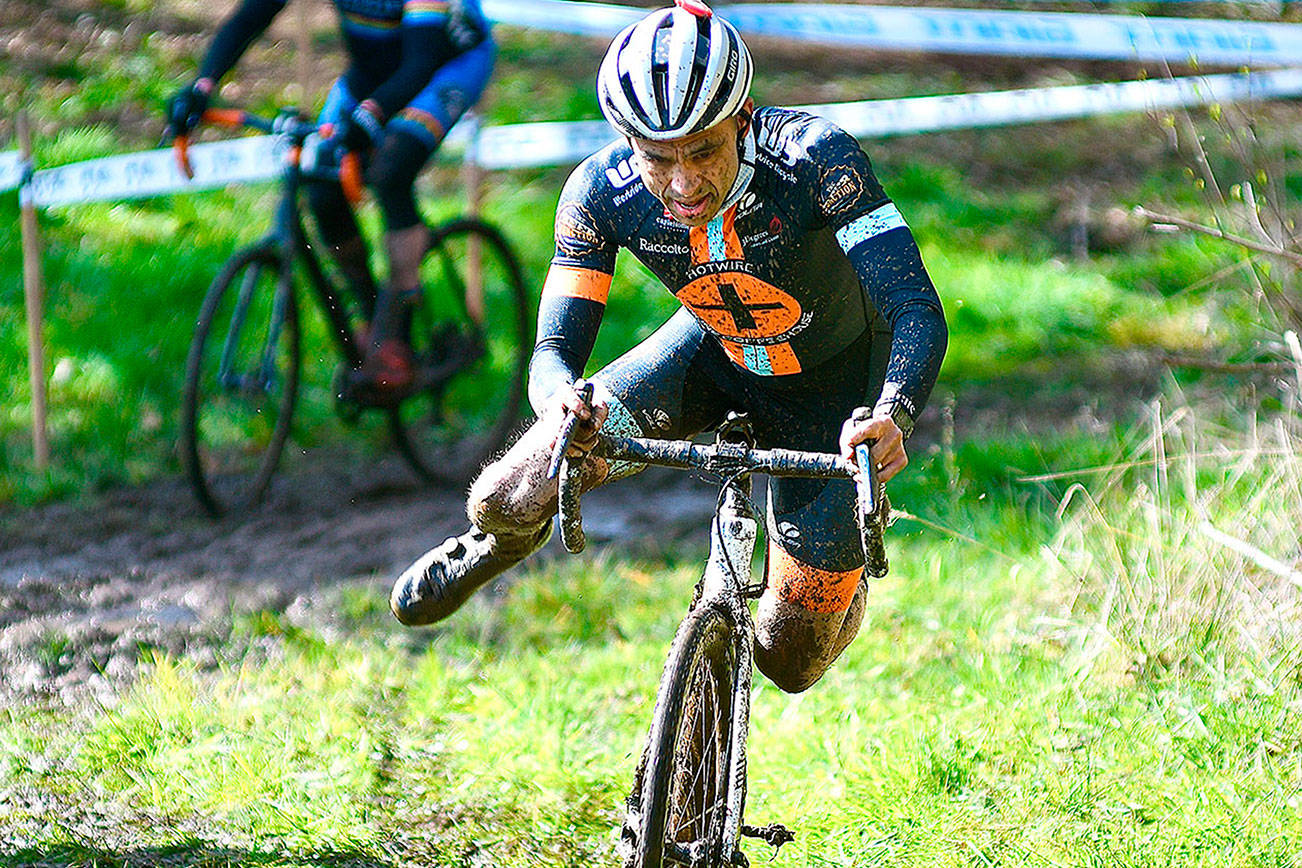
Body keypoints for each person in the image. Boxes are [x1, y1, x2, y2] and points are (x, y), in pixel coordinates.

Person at [391, 0, 947, 693]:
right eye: (657, 158)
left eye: (704, 150)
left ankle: (843, 580)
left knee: (789, 660)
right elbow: (553, 351)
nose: (683, 183)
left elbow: (915, 307)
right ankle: (494, 546)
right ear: (626, 143)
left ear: (743, 121)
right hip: (712, 355)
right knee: (505, 495)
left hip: (836, 394)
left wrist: (893, 411)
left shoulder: (814, 160)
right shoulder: (600, 192)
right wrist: (560, 398)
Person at [165, 0, 495, 399]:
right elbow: (253, 14)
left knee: (391, 171)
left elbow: (421, 62)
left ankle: (399, 330)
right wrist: (203, 86)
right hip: (372, 71)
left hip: (444, 67)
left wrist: (372, 115)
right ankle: (371, 312)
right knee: (320, 187)